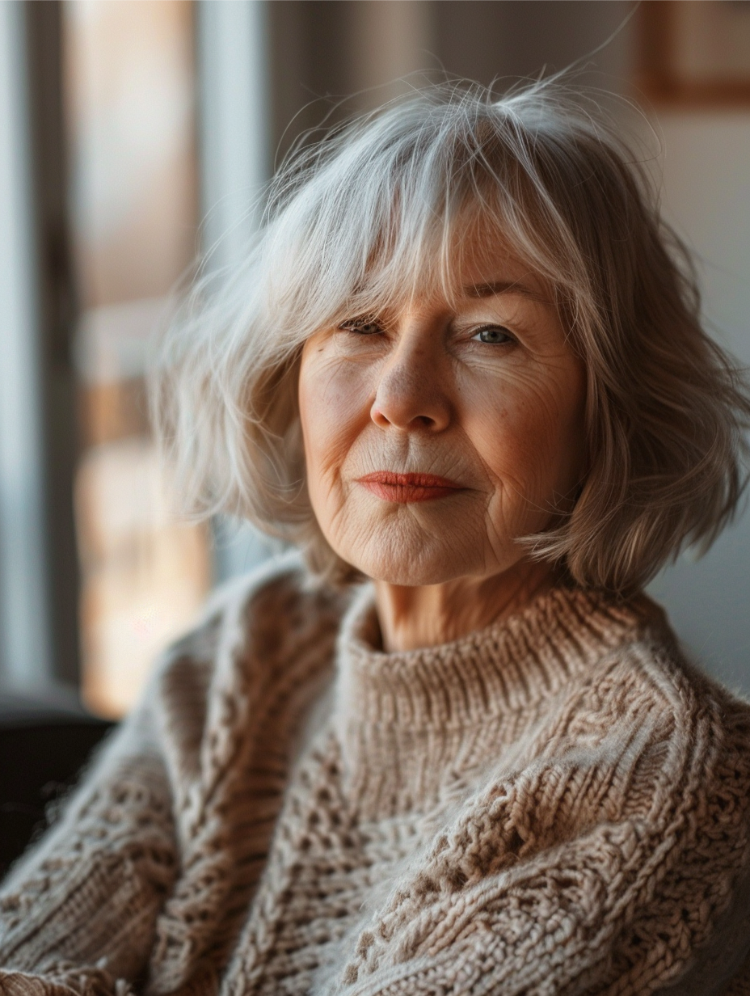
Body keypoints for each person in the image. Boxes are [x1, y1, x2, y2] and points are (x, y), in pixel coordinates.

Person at [2, 79, 750, 996]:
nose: (402, 396)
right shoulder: (245, 652)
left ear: (611, 409)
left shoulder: (658, 775)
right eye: (359, 323)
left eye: (490, 335)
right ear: (290, 376)